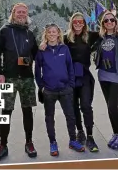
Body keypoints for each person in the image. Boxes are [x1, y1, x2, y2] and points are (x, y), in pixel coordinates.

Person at [0, 3, 38, 163]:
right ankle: (3, 145)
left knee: (27, 111)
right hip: (9, 77)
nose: (21, 14)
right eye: (19, 12)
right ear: (13, 13)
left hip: (27, 78)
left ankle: (29, 142)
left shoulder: (30, 34)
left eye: (24, 12)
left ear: (27, 15)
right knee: (6, 112)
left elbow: (37, 55)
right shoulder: (5, 31)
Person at [34, 24, 85, 156]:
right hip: (49, 90)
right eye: (49, 32)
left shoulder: (64, 48)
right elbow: (37, 70)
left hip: (65, 89)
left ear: (58, 34)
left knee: (71, 116)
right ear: (46, 35)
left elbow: (70, 67)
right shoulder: (42, 51)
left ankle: (73, 140)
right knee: (49, 117)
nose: (52, 34)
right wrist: (41, 87)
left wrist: (71, 85)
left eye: (54, 32)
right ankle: (53, 142)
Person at [63, 12, 101, 152]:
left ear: (84, 23)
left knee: (86, 105)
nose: (78, 24)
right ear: (71, 23)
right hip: (70, 77)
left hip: (84, 76)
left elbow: (106, 31)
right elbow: (53, 44)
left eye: (81, 22)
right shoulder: (66, 38)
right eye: (75, 22)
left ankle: (90, 136)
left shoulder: (90, 35)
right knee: (73, 107)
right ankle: (80, 132)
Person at [95, 10, 118, 150]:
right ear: (103, 24)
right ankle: (115, 134)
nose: (109, 22)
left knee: (113, 106)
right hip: (103, 75)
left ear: (116, 22)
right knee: (109, 108)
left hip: (116, 75)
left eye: (112, 20)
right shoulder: (101, 37)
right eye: (106, 20)